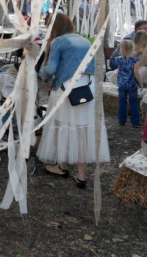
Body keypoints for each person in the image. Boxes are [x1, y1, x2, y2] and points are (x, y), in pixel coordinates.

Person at [38, 12, 110, 188]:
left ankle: (62, 167)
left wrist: (40, 74)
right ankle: (81, 175)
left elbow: (51, 69)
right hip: (87, 88)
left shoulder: (58, 42)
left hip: (66, 89)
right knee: (82, 129)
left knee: (63, 126)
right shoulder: (84, 41)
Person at [111, 40, 140, 127]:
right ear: (132, 48)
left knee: (122, 102)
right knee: (134, 103)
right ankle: (135, 122)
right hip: (132, 84)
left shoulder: (118, 59)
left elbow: (117, 69)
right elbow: (136, 72)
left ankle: (121, 120)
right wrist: (140, 82)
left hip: (121, 83)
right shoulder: (135, 60)